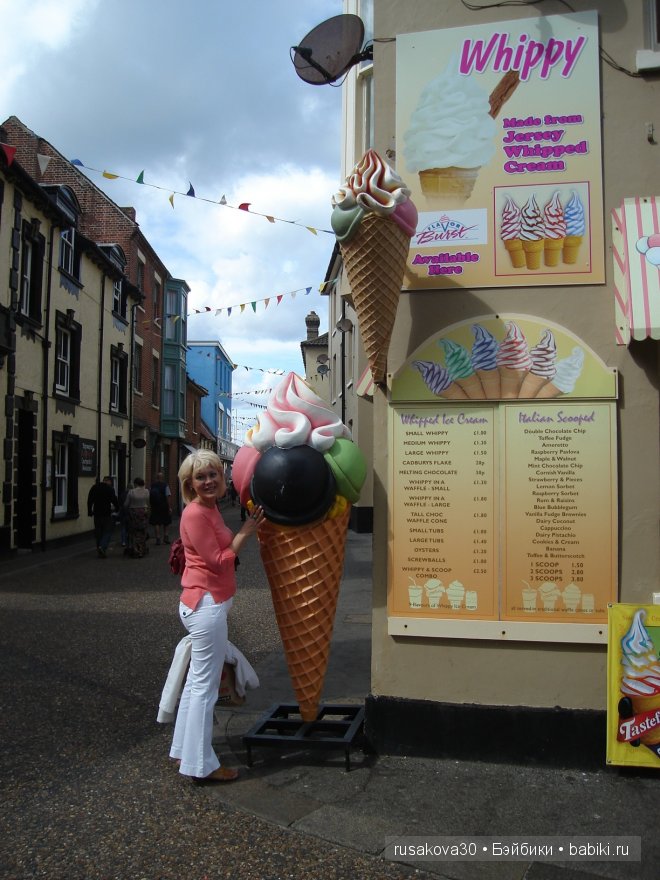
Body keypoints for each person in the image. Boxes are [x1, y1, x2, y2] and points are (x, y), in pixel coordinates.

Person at [170, 450, 263, 783]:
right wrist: (246, 532)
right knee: (205, 690)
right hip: (205, 606)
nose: (208, 480)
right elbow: (219, 560)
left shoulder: (208, 510)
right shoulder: (196, 514)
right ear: (189, 484)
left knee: (197, 685)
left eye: (213, 474)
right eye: (200, 476)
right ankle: (202, 765)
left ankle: (184, 750)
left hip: (207, 604)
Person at [87, 476, 119, 558]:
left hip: (97, 513)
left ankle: (99, 550)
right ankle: (103, 547)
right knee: (107, 531)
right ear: (109, 481)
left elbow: (90, 500)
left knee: (98, 532)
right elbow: (114, 500)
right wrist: (117, 509)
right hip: (106, 513)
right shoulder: (110, 489)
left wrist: (89, 511)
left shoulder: (94, 487)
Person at [124, 477, 150, 558]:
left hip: (134, 514)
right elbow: (148, 502)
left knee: (134, 532)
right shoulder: (146, 491)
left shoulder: (131, 492)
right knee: (142, 532)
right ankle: (142, 550)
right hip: (144, 513)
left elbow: (126, 504)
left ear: (135, 484)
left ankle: (135, 550)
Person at [149, 471, 172, 544]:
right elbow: (168, 496)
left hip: (155, 506)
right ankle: (166, 536)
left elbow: (150, 495)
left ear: (156, 477)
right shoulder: (165, 485)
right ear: (162, 478)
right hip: (164, 506)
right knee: (166, 522)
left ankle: (158, 538)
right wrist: (169, 507)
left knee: (156, 523)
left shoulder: (152, 485)